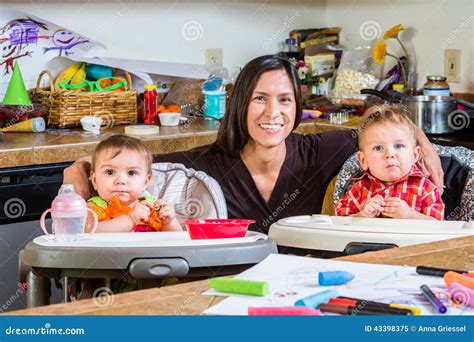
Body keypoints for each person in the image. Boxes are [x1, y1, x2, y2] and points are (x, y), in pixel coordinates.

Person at [65, 55, 444, 233]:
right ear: (240, 104)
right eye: (259, 98)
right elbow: (134, 161)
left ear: (297, 106)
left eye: (284, 100)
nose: (272, 112)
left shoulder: (322, 150)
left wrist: (423, 142)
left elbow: (386, 129)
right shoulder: (207, 164)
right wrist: (79, 170)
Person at [335, 106, 445, 220]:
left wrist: (410, 215)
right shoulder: (359, 188)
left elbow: (438, 225)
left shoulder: (425, 189)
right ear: (363, 160)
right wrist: (362, 216)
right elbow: (339, 221)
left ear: (415, 155)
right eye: (378, 148)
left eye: (398, 146)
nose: (389, 154)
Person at [87, 134, 181, 232]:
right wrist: (130, 219)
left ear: (145, 182)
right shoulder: (94, 207)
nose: (121, 180)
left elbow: (177, 241)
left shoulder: (151, 207)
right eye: (110, 172)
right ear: (94, 180)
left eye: (131, 173)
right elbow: (90, 232)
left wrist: (170, 223)